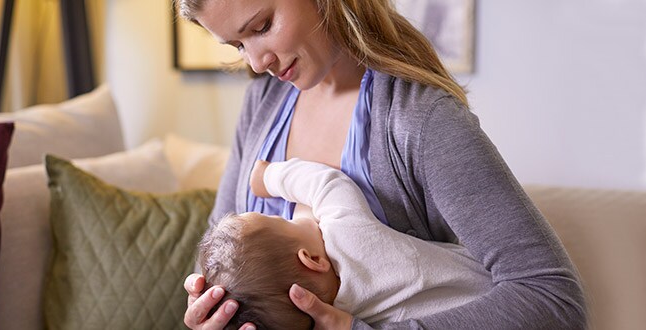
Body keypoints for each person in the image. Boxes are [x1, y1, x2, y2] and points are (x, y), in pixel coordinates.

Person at [176, 0, 587, 329]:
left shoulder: (421, 121)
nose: (256, 62)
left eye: (262, 26)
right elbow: (220, 250)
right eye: (237, 45)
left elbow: (552, 297)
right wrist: (215, 313)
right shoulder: (263, 103)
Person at [198, 159, 493, 329]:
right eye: (286, 221)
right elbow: (328, 184)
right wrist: (267, 177)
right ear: (313, 260)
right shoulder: (348, 236)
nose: (296, 213)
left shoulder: (345, 319)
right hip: (497, 290)